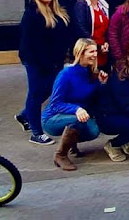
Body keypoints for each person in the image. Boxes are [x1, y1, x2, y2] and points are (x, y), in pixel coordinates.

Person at [15, 0, 71, 146]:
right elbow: (32, 44)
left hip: (54, 61)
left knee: (49, 90)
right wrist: (46, 64)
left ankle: (24, 116)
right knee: (36, 93)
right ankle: (36, 133)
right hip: (36, 61)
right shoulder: (32, 14)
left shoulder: (56, 9)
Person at [41, 38, 107, 171]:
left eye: (96, 51)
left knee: (93, 132)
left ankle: (71, 142)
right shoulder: (66, 74)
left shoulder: (91, 73)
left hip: (78, 114)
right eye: (91, 52)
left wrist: (102, 83)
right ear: (80, 53)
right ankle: (60, 155)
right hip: (53, 117)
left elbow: (94, 97)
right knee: (78, 120)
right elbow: (55, 104)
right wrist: (76, 109)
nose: (95, 55)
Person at [73, 0, 110, 70]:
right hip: (89, 52)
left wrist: (106, 42)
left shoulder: (104, 5)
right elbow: (81, 29)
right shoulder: (81, 5)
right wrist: (97, 47)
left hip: (103, 52)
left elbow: (107, 28)